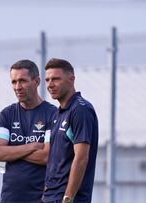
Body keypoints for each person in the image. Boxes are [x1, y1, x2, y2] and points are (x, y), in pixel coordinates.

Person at [0, 59, 57, 203]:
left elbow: (46, 156)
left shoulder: (53, 114)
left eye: (23, 81)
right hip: (10, 198)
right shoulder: (7, 114)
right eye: (14, 82)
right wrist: (31, 146)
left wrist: (10, 152)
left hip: (41, 198)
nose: (18, 87)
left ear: (37, 81)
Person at [42, 58, 98, 203]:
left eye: (56, 79)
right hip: (51, 197)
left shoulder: (80, 110)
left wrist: (68, 197)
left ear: (71, 79)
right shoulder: (58, 113)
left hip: (68, 198)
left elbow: (81, 158)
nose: (50, 85)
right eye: (47, 80)